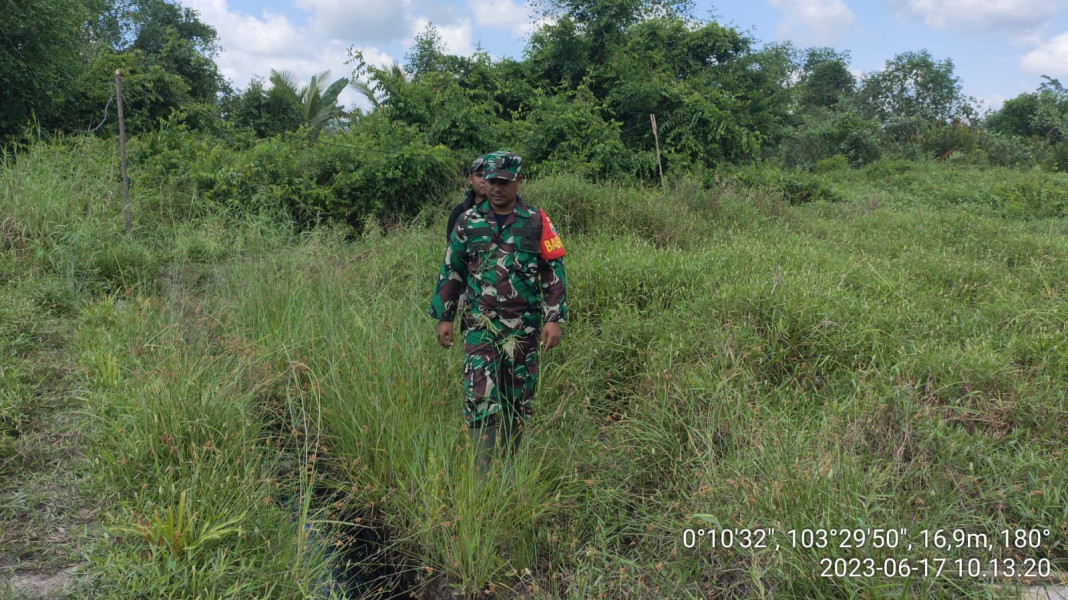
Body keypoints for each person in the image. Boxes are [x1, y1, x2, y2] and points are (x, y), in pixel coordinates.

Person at [429, 151, 567, 469]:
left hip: (524, 328)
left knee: (517, 399)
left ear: (518, 181)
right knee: (479, 395)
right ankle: (483, 476)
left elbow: (553, 270)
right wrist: (444, 317)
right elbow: (452, 269)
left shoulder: (536, 220)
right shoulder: (468, 221)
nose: (497, 188)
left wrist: (554, 317)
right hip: (481, 326)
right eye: (492, 181)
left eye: (504, 182)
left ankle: (510, 468)